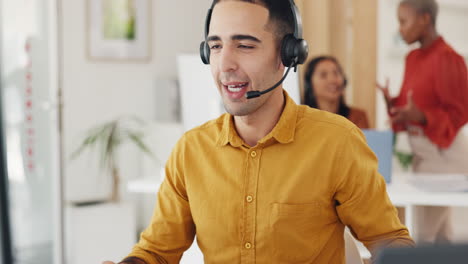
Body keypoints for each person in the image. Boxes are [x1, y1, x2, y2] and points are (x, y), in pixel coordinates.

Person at [104, 1, 414, 263]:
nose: (224, 64)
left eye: (244, 45)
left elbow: (387, 239)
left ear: (288, 55)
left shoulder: (336, 142)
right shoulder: (191, 150)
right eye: (215, 46)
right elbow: (157, 251)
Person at [377, 0, 468, 244]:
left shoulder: (449, 59)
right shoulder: (413, 58)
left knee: (421, 234)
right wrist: (392, 104)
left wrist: (422, 116)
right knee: (440, 237)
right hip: (423, 153)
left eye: (403, 21)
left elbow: (460, 113)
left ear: (425, 19)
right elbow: (413, 106)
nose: (400, 29)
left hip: (444, 154)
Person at [304, 56, 370, 129]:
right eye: (323, 75)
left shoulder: (357, 116)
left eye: (336, 73)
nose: (332, 80)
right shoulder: (302, 118)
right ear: (309, 84)